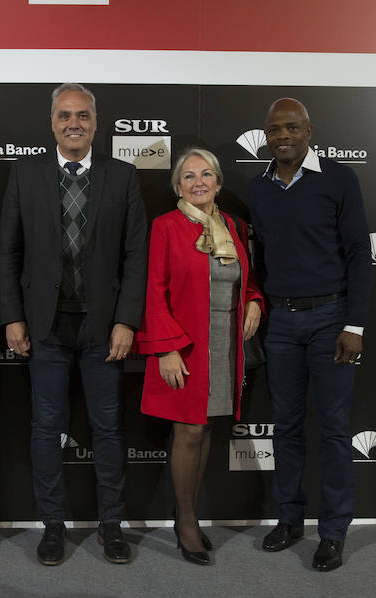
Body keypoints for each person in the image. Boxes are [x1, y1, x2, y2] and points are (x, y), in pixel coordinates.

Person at [0, 83, 147, 565]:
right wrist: (12, 316)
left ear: (97, 123)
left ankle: (111, 525)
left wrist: (127, 320)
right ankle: (53, 526)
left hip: (104, 329)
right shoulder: (25, 175)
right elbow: (8, 252)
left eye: (83, 115)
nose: (74, 123)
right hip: (45, 327)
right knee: (46, 428)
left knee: (107, 428)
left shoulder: (122, 177)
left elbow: (135, 256)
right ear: (52, 123)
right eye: (65, 116)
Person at [247, 98, 372, 571]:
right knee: (287, 427)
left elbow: (360, 253)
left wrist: (353, 325)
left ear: (308, 131)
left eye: (292, 127)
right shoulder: (257, 187)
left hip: (331, 321)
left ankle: (335, 531)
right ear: (266, 134)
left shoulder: (339, 178)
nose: (282, 136)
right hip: (281, 323)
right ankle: (289, 518)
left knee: (336, 430)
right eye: (274, 128)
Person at [137, 148, 263, 565]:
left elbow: (247, 281)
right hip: (185, 346)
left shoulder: (234, 226)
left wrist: (255, 302)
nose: (198, 182)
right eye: (188, 176)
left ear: (219, 182)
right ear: (178, 187)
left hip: (225, 346)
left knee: (206, 428)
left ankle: (185, 512)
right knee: (188, 431)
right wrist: (168, 348)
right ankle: (187, 521)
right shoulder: (166, 227)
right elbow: (153, 290)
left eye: (206, 174)